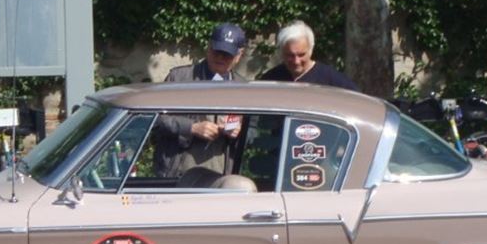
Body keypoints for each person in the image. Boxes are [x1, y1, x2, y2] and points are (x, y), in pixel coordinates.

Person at [153, 23, 247, 179]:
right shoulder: (179, 79)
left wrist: (239, 131)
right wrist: (191, 128)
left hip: (221, 179)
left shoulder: (243, 89)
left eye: (227, 54)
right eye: (217, 51)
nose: (220, 57)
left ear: (239, 55)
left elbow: (253, 132)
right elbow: (154, 121)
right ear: (208, 47)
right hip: (177, 175)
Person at [258, 20, 358, 90]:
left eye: (301, 55)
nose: (296, 61)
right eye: (290, 55)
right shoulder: (270, 80)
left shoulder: (334, 83)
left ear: (311, 49)